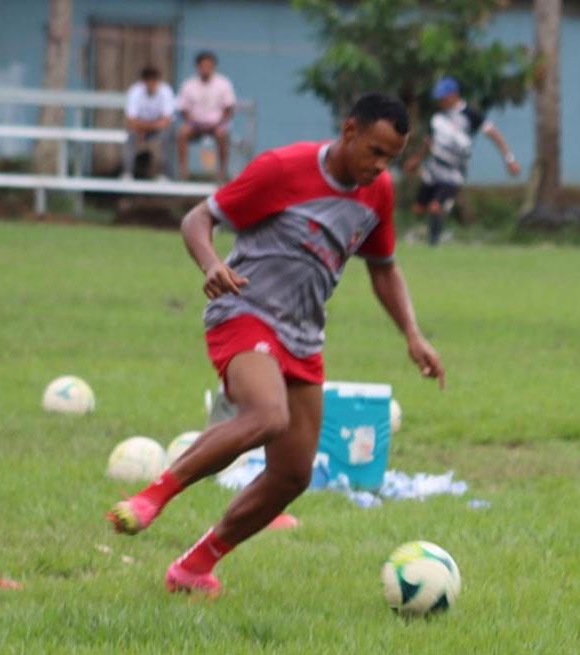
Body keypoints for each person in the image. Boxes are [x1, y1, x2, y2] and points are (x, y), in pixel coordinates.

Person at [107, 94, 445, 596]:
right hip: (243, 313)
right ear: (348, 129)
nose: (379, 167)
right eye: (374, 151)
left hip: (303, 334)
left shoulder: (379, 193)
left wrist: (413, 336)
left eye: (389, 159)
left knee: (292, 475)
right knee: (268, 415)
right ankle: (152, 497)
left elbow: (383, 269)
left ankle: (192, 568)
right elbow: (197, 219)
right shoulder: (282, 169)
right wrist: (212, 265)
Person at [403, 77, 520, 245]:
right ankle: (420, 234)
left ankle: (433, 243)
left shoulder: (470, 115)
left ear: (454, 95)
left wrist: (509, 159)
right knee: (419, 209)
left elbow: (494, 135)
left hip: (454, 172)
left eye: (443, 97)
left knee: (435, 206)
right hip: (434, 169)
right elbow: (430, 141)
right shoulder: (438, 118)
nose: (440, 101)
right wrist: (417, 160)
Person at [176, 51, 237, 181]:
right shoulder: (188, 85)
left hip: (217, 125)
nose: (206, 69)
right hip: (195, 125)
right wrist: (193, 122)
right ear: (197, 67)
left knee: (222, 134)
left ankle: (221, 173)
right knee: (182, 133)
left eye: (209, 66)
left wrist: (218, 123)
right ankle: (183, 173)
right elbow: (183, 109)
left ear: (214, 67)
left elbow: (228, 108)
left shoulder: (223, 83)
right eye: (203, 66)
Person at [122, 66, 176, 180]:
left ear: (158, 80)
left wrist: (143, 127)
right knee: (130, 134)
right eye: (148, 80)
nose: (151, 83)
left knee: (168, 135)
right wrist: (150, 126)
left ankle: (167, 175)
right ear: (143, 81)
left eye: (153, 80)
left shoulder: (166, 91)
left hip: (155, 130)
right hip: (139, 130)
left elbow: (166, 122)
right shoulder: (135, 91)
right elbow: (130, 121)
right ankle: (127, 173)